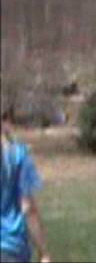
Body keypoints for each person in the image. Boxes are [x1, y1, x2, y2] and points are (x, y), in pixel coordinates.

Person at [1, 105, 51, 263]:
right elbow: (27, 207)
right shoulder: (18, 155)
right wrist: (43, 252)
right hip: (11, 247)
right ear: (7, 121)